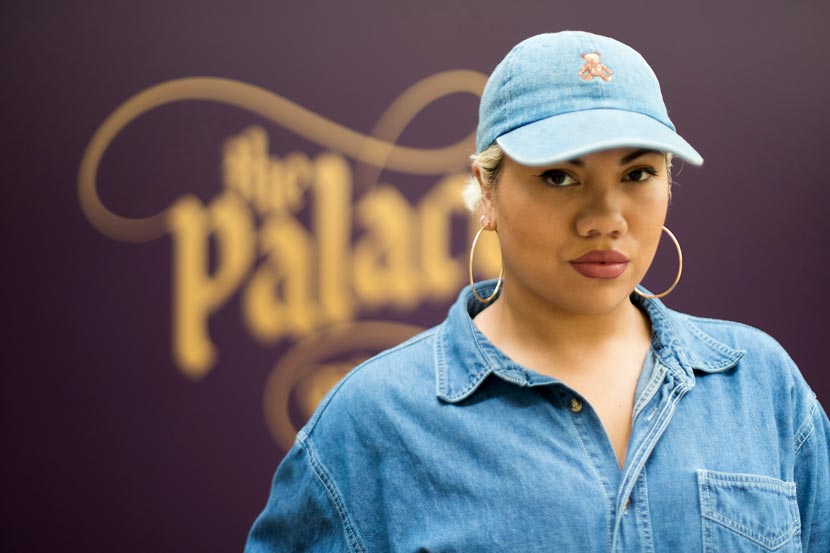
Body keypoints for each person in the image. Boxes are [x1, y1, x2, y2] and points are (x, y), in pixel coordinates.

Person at [245, 31, 830, 552]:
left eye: (637, 173)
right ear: (487, 190)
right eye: (559, 176)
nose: (605, 218)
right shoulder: (373, 422)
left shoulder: (760, 385)